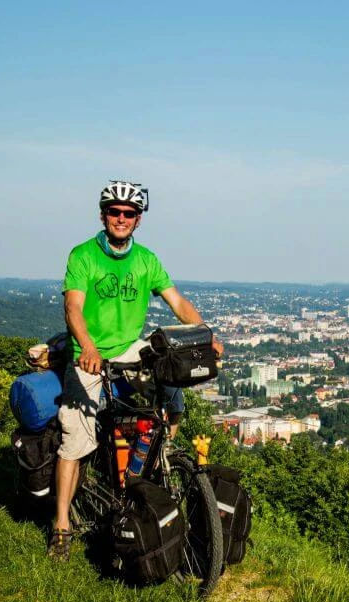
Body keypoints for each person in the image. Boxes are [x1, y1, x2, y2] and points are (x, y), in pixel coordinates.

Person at [48, 180, 223, 561]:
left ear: (138, 219)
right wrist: (88, 347)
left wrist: (204, 336)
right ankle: (61, 524)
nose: (121, 218)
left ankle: (157, 460)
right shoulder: (84, 255)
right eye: (114, 211)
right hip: (89, 351)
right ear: (103, 215)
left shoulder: (146, 260)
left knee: (171, 384)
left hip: (130, 347)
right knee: (75, 440)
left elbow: (177, 301)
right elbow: (72, 308)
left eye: (129, 213)